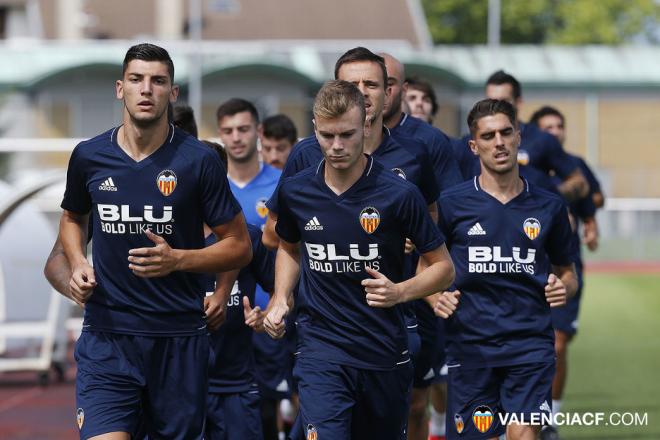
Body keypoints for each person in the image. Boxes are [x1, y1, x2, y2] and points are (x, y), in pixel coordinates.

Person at [58, 43, 251, 440]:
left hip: (178, 339)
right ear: (119, 88)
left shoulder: (199, 160)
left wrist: (178, 260)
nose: (146, 89)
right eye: (136, 80)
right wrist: (78, 262)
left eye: (158, 81)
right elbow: (72, 218)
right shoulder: (89, 156)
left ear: (173, 93)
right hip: (107, 337)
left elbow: (239, 245)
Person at [264, 79, 455, 439]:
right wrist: (280, 299)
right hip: (321, 351)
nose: (336, 146)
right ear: (315, 129)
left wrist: (400, 292)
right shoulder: (296, 189)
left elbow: (444, 269)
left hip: (384, 353)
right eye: (327, 135)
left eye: (347, 135)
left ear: (366, 125)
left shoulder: (399, 194)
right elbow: (288, 248)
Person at [434, 99, 578, 440]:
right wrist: (435, 298)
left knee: (523, 435)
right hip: (471, 348)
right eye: (488, 136)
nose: (498, 142)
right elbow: (427, 267)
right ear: (474, 146)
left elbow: (568, 272)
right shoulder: (451, 205)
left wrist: (564, 286)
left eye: (505, 133)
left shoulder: (549, 206)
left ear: (518, 138)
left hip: (529, 347)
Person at [379, 52, 461, 440]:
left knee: (415, 399)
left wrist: (423, 229)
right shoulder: (332, 144)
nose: (374, 93)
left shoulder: (429, 143)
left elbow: (450, 207)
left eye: (387, 83)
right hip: (352, 289)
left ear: (401, 89)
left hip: (418, 287)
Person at [215, 98, 293, 440]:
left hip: (270, 318)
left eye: (243, 129)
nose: (236, 138)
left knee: (273, 411)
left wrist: (279, 303)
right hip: (224, 324)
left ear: (258, 132)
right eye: (228, 131)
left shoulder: (284, 183)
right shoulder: (211, 187)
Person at [529, 105, 605, 440]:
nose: (554, 131)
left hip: (564, 265)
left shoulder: (574, 167)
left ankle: (550, 420)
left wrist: (589, 222)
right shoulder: (523, 170)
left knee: (558, 344)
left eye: (559, 126)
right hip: (525, 267)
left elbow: (594, 197)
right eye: (547, 126)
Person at [452, 71, 589, 202]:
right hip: (482, 218)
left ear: (518, 102)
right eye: (491, 101)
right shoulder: (467, 144)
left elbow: (578, 181)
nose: (497, 107)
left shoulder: (542, 139)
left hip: (532, 221)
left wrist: (549, 199)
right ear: (474, 147)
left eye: (504, 102)